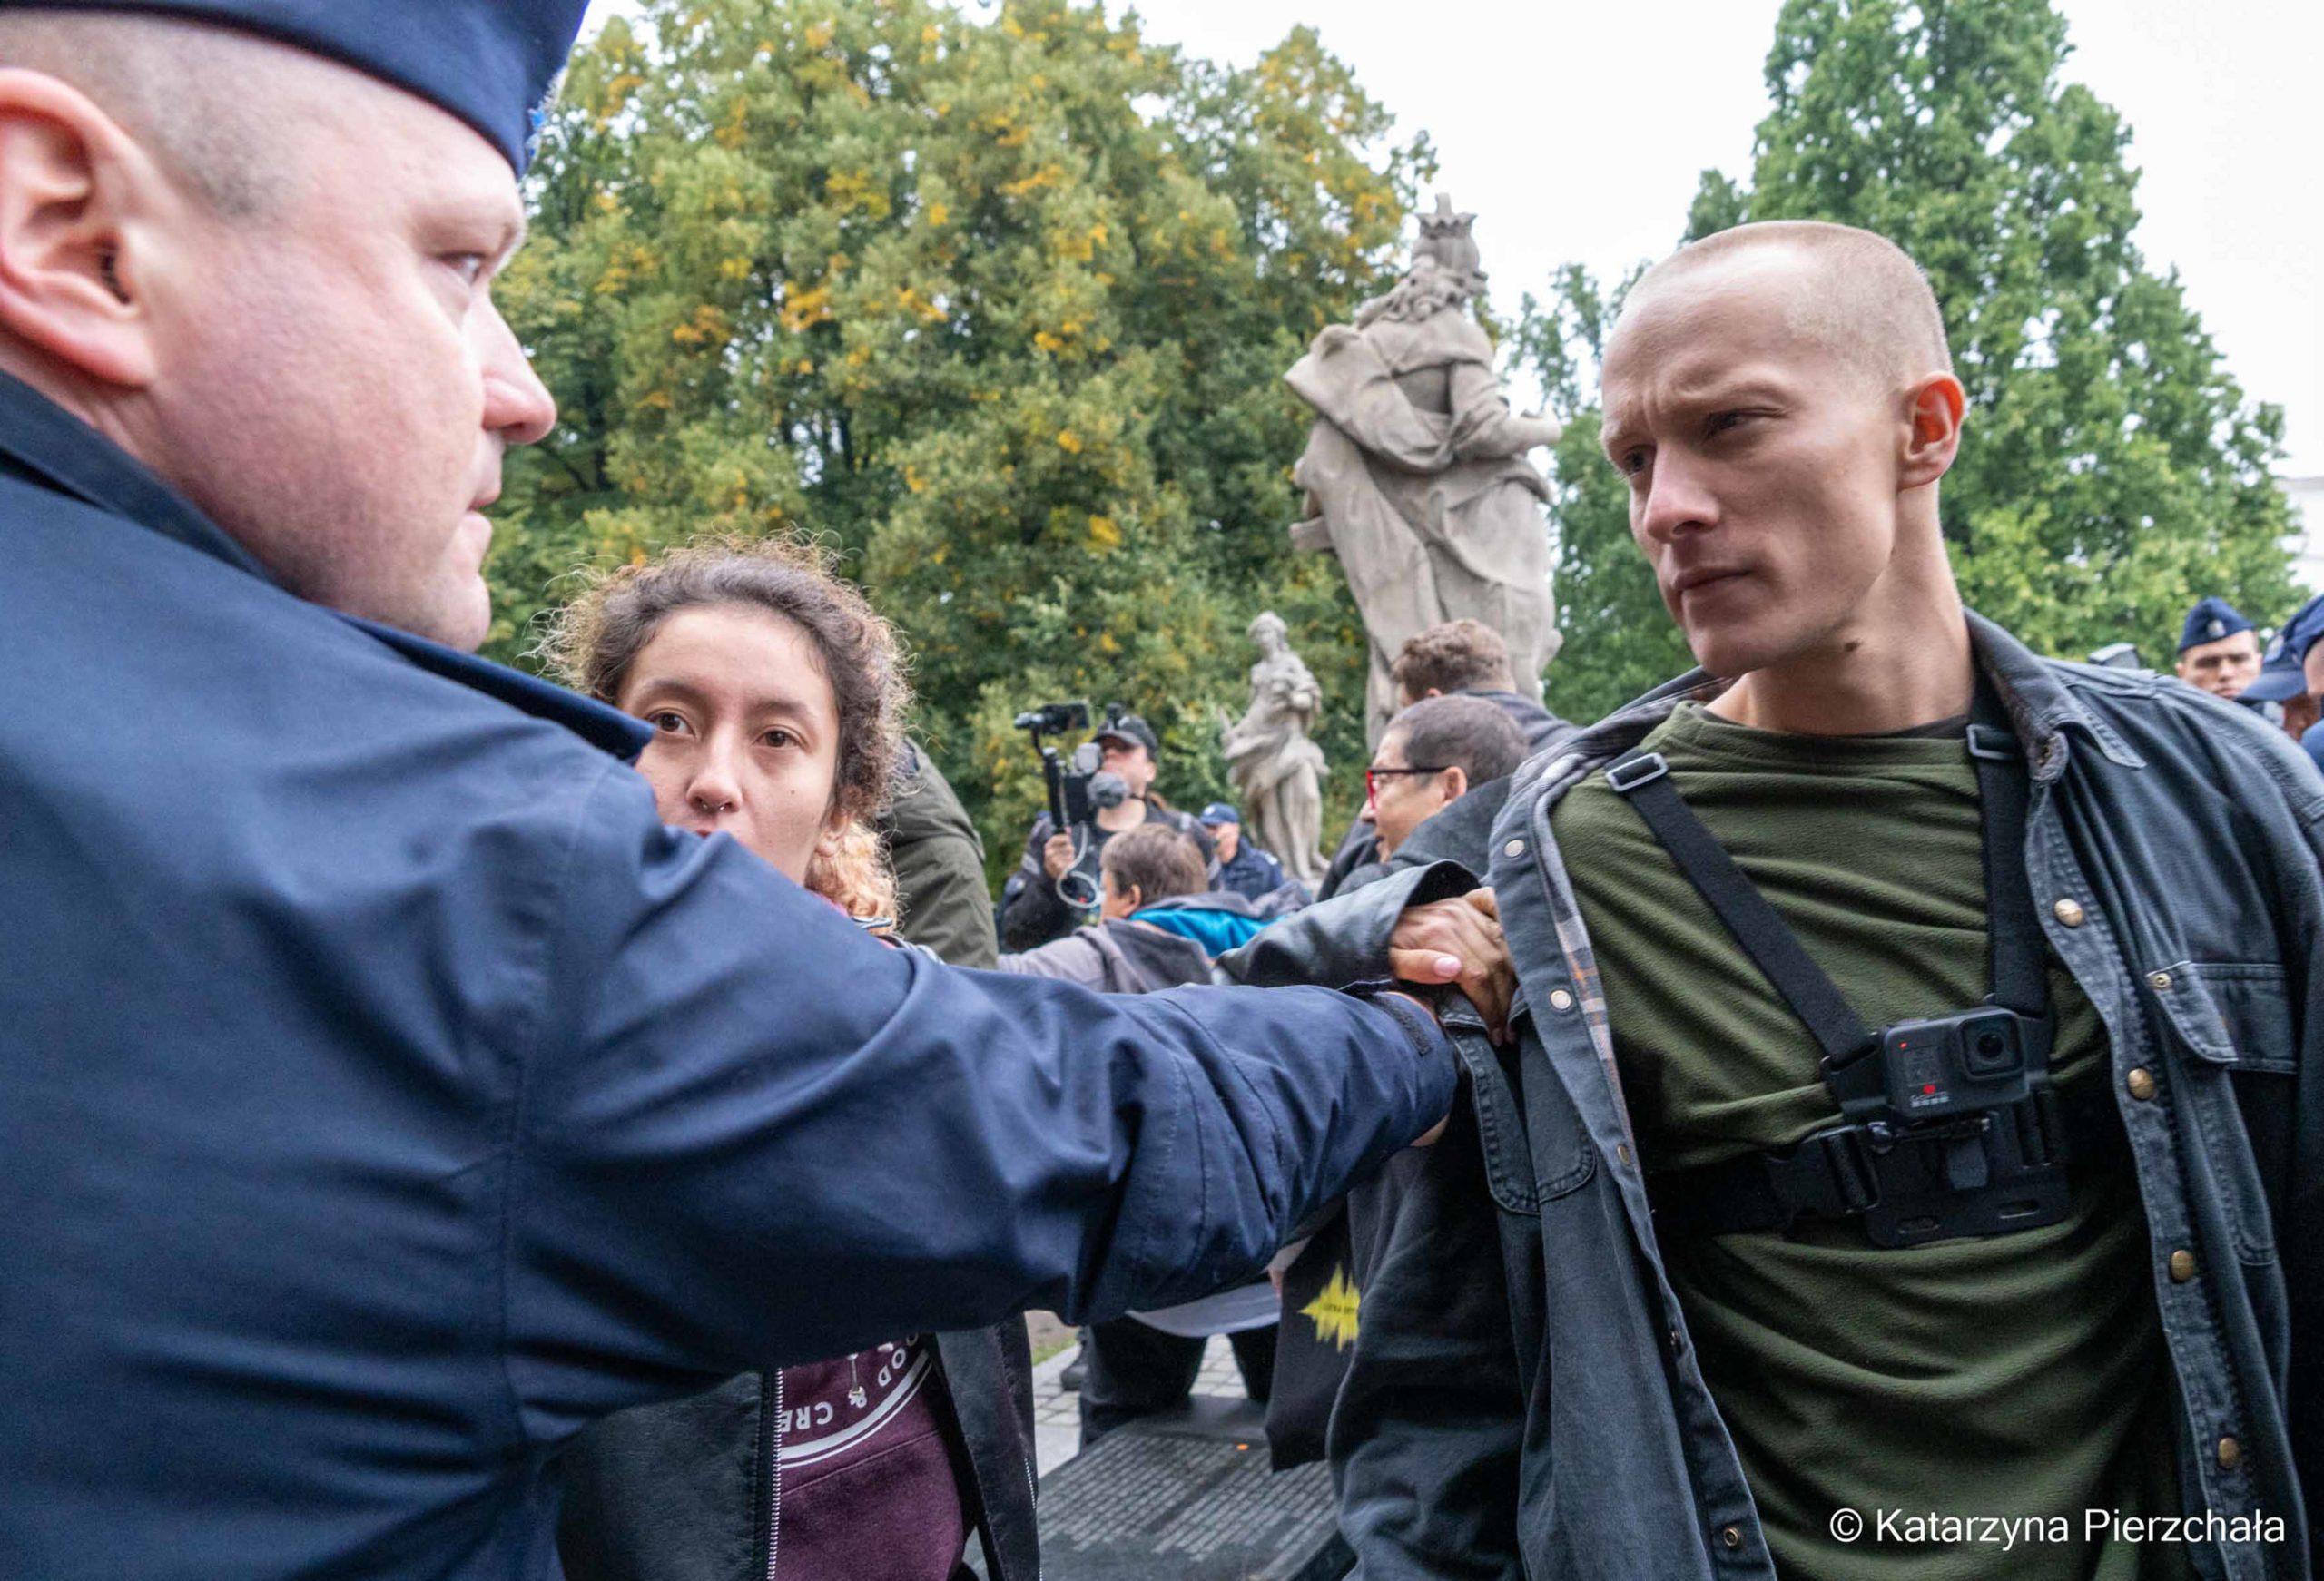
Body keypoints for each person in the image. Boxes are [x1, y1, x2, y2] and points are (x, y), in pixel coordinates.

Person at [0, 9, 1511, 1577]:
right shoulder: (453, 878)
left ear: (851, 787)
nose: (522, 391)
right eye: (457, 266)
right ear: (71, 227)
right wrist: (1425, 1022)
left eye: (781, 739)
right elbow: (1099, 1123)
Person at [1232, 221, 2319, 1579]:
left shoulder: (2212, 799)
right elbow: (1442, 1391)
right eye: (1634, 460)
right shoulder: (1556, 877)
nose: (1664, 507)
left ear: (1923, 429)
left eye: (1731, 427)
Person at [540, 537, 1034, 1581]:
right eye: (668, 721)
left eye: (776, 736)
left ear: (842, 797)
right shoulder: (513, 1049)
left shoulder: (906, 1024)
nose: (715, 780)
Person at [1003, 825, 1279, 1445]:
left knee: (1118, 1454)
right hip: (1277, 1265)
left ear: (1126, 897)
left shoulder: (1092, 959)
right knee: (1312, 1458)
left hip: (1144, 1271)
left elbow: (979, 982)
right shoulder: (1282, 939)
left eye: (1101, 890)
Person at [1316, 619, 1564, 899]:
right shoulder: (1584, 760)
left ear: (1431, 701)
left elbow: (1329, 909)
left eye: (1406, 710)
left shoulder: (1412, 774)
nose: (1369, 813)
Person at [997, 712, 1214, 949]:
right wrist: (1049, 883)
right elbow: (1014, 936)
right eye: (1101, 750)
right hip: (1071, 977)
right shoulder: (1056, 833)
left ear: (1150, 769)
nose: (1110, 755)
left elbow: (1212, 925)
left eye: (1124, 748)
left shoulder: (1183, 835)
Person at [2174, 595, 2264, 703]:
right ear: (2182, 674)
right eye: (2208, 663)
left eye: (2239, 659)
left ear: (2260, 664)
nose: (2225, 673)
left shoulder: (2287, 717)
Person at [1200, 800, 1290, 903]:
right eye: (1205, 828)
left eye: (1214, 827)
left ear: (1235, 829)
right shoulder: (1199, 867)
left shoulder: (1263, 866)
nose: (1209, 833)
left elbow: (1283, 904)